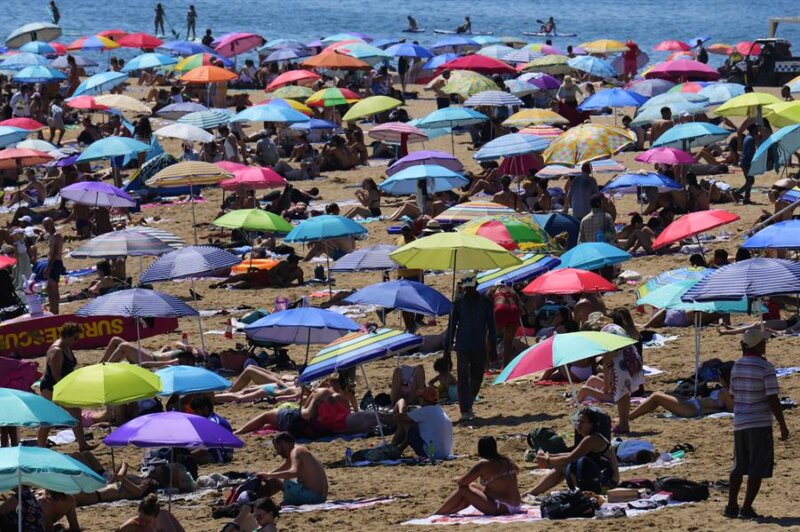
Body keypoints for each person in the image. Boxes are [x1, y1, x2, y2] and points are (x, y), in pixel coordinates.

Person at [724, 329, 790, 519]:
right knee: (756, 466)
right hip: (759, 422)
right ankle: (746, 508)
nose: (765, 345)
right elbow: (772, 399)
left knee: (738, 465)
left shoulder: (736, 365)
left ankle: (731, 506)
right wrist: (783, 425)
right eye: (764, 342)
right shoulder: (765, 367)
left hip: (740, 422)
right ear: (758, 345)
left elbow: (733, 394)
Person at [526, 408, 619, 495]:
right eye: (578, 421)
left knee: (564, 467)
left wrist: (547, 460)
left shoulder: (592, 439)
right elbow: (572, 454)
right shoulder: (591, 437)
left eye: (582, 422)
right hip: (603, 481)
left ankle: (532, 493)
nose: (578, 424)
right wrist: (549, 456)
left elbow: (569, 459)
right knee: (563, 466)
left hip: (607, 486)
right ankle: (532, 493)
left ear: (591, 424)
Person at [575, 322, 644, 434]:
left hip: (622, 364)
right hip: (631, 357)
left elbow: (607, 362)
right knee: (625, 393)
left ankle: (623, 425)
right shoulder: (612, 327)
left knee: (622, 395)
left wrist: (607, 384)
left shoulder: (604, 337)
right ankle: (624, 423)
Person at [445, 275, 497, 422]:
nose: (469, 290)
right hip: (462, 346)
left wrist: (492, 346)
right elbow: (451, 328)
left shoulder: (485, 302)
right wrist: (447, 349)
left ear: (476, 286)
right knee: (462, 379)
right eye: (467, 288)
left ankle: (469, 403)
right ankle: (465, 409)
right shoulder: (458, 304)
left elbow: (491, 325)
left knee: (477, 377)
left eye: (471, 287)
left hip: (479, 345)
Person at [37, 323, 94, 451]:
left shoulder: (66, 346)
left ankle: (83, 445)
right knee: (48, 418)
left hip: (61, 384)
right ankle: (40, 447)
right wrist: (66, 390)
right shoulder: (56, 351)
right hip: (51, 387)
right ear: (66, 336)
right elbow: (56, 374)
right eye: (75, 338)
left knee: (75, 412)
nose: (77, 341)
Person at [435, 436, 521, 516]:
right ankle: (454, 510)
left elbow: (462, 482)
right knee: (472, 485)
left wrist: (456, 479)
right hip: (516, 505)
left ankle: (438, 513)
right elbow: (517, 470)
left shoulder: (484, 464)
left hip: (500, 507)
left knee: (463, 489)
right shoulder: (506, 461)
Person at [631, 363, 733, 422]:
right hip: (693, 404)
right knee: (664, 395)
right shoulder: (727, 391)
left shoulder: (725, 393)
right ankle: (631, 415)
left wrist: (711, 409)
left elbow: (731, 410)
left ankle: (628, 417)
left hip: (692, 409)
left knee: (656, 396)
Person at [257, 432, 328, 505]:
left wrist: (270, 476)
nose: (278, 452)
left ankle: (257, 503)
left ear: (283, 443)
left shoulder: (296, 452)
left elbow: (293, 472)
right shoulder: (299, 449)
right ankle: (258, 502)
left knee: (275, 480)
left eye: (277, 448)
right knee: (275, 478)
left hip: (312, 497)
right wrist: (268, 474)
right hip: (320, 497)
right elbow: (284, 467)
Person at [392, 388, 453, 459]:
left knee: (405, 423)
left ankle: (393, 447)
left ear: (423, 399)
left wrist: (401, 406)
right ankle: (397, 449)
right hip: (445, 453)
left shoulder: (425, 411)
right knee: (413, 427)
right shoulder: (439, 410)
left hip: (431, 454)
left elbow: (399, 417)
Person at [210, 254, 304, 289]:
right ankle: (220, 283)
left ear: (295, 263)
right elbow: (271, 271)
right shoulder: (283, 264)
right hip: (267, 276)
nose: (289, 265)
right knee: (243, 276)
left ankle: (229, 286)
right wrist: (278, 278)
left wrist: (283, 283)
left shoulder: (298, 272)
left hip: (269, 282)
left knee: (246, 285)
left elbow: (300, 283)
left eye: (291, 264)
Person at [189, 396, 235, 465]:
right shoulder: (213, 418)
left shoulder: (211, 423)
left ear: (205, 409)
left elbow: (204, 450)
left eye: (197, 412)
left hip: (220, 456)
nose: (195, 415)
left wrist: (188, 456)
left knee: (186, 461)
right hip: (223, 451)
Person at [488, 281, 523, 367]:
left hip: (501, 308)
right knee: (508, 342)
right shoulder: (512, 291)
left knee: (490, 338)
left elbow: (487, 307)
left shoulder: (492, 291)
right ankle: (505, 366)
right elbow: (520, 306)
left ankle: (486, 365)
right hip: (514, 310)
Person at [117, 493, 185, 532]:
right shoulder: (130, 526)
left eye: (148, 521)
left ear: (156, 516)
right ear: (139, 511)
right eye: (141, 519)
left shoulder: (165, 515)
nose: (143, 523)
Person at [43, 217, 64, 314]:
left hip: (55, 262)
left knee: (52, 287)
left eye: (47, 225)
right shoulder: (51, 235)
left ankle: (54, 309)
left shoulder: (56, 235)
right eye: (44, 226)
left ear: (52, 224)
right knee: (52, 287)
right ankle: (54, 308)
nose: (46, 227)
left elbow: (55, 252)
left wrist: (48, 266)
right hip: (53, 262)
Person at [738, 124, 758, 204]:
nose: (758, 130)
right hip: (747, 163)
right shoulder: (751, 139)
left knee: (748, 180)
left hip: (744, 162)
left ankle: (746, 198)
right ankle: (736, 193)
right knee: (750, 181)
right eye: (756, 129)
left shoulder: (748, 137)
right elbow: (751, 153)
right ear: (753, 130)